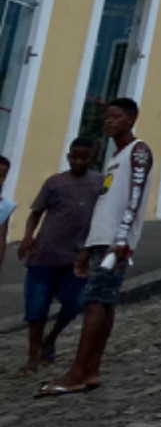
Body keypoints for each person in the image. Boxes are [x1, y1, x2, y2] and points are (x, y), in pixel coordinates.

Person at [40, 98, 152, 397]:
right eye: (107, 117)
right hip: (101, 241)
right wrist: (88, 246)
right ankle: (90, 370)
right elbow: (106, 204)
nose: (108, 122)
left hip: (116, 242)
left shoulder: (138, 151)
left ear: (131, 119)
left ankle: (78, 370)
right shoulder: (115, 158)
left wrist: (121, 238)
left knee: (95, 303)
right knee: (103, 302)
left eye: (116, 117)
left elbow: (135, 197)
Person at [16, 139, 98, 376]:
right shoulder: (55, 183)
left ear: (92, 159)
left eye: (84, 157)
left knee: (74, 303)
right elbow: (35, 214)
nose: (78, 162)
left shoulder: (99, 183)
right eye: (74, 157)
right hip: (44, 255)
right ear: (68, 156)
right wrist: (27, 237)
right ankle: (32, 357)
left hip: (77, 257)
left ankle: (50, 339)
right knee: (36, 308)